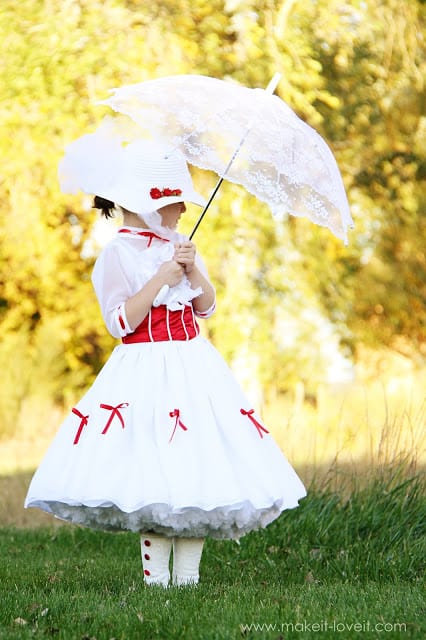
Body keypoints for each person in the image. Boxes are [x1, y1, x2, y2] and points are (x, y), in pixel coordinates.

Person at [25, 137, 306, 587]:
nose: (182, 211)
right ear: (150, 203)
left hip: (194, 368)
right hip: (144, 371)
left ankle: (188, 579)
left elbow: (207, 307)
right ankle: (156, 582)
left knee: (196, 467)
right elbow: (120, 322)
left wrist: (193, 272)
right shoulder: (118, 254)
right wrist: (159, 279)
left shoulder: (181, 245)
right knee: (154, 471)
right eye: (176, 201)